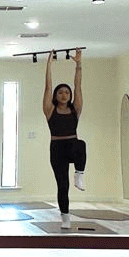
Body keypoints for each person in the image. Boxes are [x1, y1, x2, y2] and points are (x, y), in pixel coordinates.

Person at [43, 49, 87, 229]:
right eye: (60, 92)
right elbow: (47, 86)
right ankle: (65, 217)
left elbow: (78, 86)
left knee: (81, 144)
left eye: (66, 93)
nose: (64, 95)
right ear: (55, 95)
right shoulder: (49, 110)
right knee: (62, 185)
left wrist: (78, 65)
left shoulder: (75, 109)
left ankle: (79, 174)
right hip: (57, 149)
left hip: (72, 146)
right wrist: (48, 65)